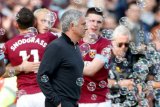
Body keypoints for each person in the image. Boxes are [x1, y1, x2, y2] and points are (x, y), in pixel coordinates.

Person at [3, 7, 57, 107]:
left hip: (24, 97)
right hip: (46, 93)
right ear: (34, 23)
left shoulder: (8, 45)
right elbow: (67, 35)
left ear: (16, 24)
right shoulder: (48, 37)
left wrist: (21, 68)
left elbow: (2, 72)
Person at [37, 9, 86, 107]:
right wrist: (57, 102)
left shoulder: (75, 46)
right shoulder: (56, 46)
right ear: (72, 26)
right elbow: (42, 76)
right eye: (83, 24)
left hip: (73, 102)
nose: (86, 28)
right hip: (61, 102)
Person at [78, 7, 112, 107]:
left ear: (102, 24)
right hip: (77, 99)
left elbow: (90, 71)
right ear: (85, 21)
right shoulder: (75, 40)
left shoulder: (106, 45)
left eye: (98, 22)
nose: (95, 24)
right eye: (91, 20)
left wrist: (66, 65)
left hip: (100, 101)